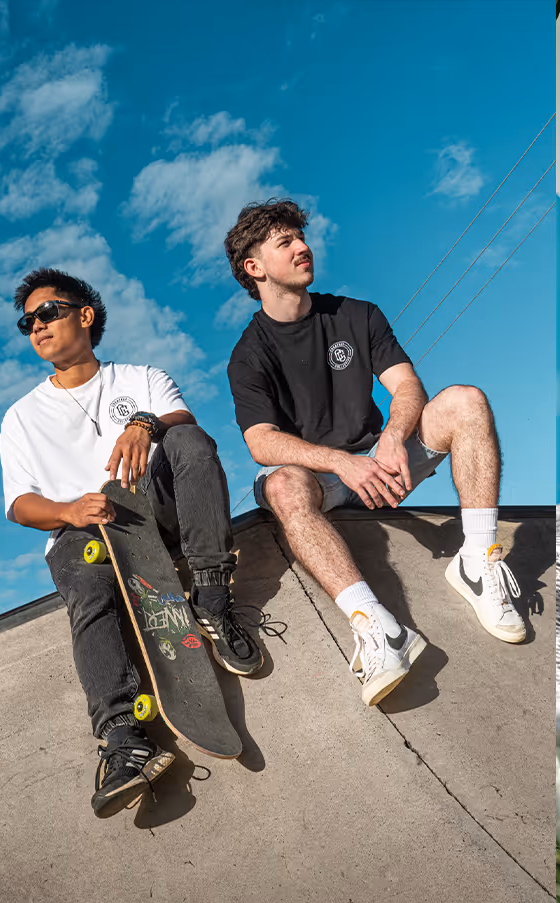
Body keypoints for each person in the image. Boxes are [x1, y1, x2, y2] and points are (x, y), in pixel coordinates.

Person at [222, 198, 524, 707]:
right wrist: (342, 461)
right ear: (254, 269)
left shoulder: (356, 315)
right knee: (280, 483)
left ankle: (478, 560)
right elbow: (260, 441)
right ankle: (378, 626)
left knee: (465, 402)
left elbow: (406, 385)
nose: (303, 247)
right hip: (327, 480)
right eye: (286, 242)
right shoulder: (249, 354)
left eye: (301, 236)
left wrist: (390, 436)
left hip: (386, 462)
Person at [0, 267, 262, 818]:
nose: (36, 327)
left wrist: (144, 423)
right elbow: (20, 504)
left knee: (187, 437)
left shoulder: (141, 378)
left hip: (157, 517)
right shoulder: (21, 417)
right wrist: (68, 510)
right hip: (83, 532)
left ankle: (212, 598)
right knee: (89, 580)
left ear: (84, 315)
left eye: (47, 313)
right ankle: (123, 740)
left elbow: (183, 426)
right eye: (27, 323)